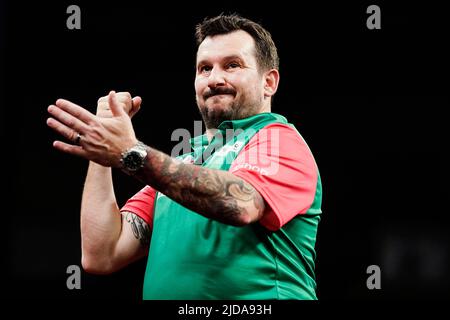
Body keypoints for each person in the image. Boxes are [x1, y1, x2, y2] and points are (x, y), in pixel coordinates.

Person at [46, 14, 322, 300]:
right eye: (204, 68)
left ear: (269, 82)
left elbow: (240, 204)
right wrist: (102, 150)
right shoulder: (186, 160)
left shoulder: (278, 140)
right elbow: (102, 253)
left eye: (232, 65)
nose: (214, 79)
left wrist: (130, 152)